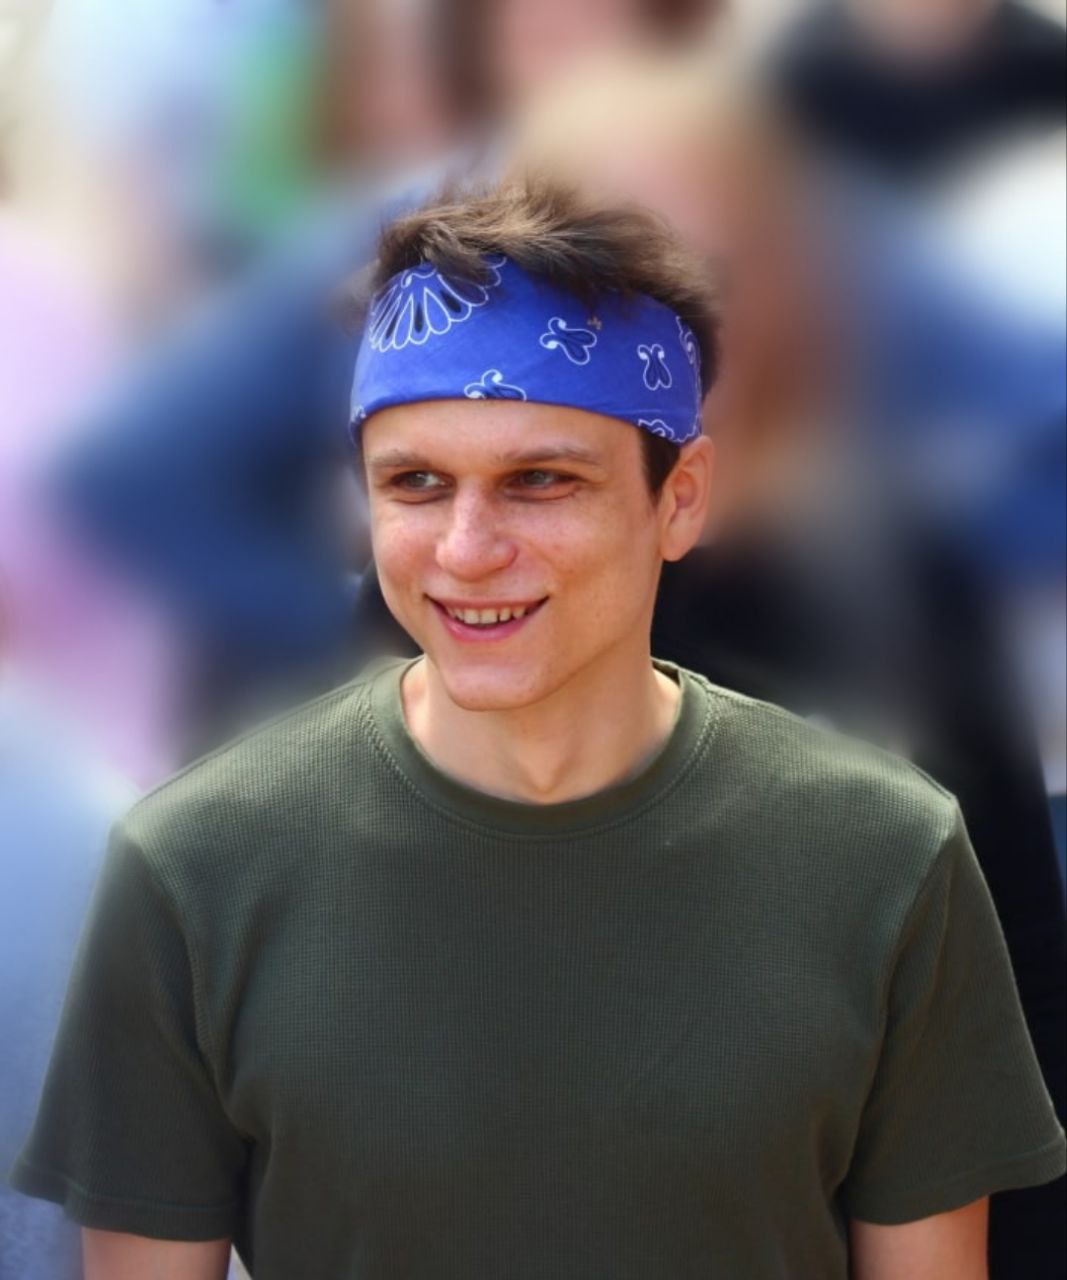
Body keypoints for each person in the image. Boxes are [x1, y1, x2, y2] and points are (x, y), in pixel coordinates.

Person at [10, 180, 1065, 1278]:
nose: (466, 549)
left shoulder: (884, 857)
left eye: (539, 480)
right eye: (416, 483)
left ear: (680, 497)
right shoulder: (193, 869)